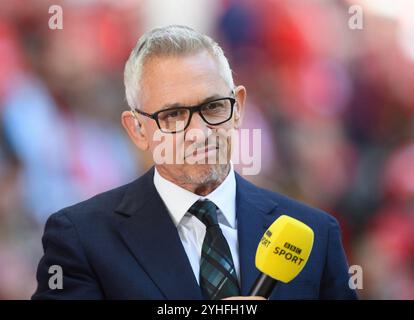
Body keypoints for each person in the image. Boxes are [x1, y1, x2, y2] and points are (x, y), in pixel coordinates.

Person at [32, 25, 357, 300]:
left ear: (238, 107)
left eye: (214, 107)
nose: (199, 133)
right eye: (173, 115)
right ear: (137, 130)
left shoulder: (316, 234)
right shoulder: (82, 239)